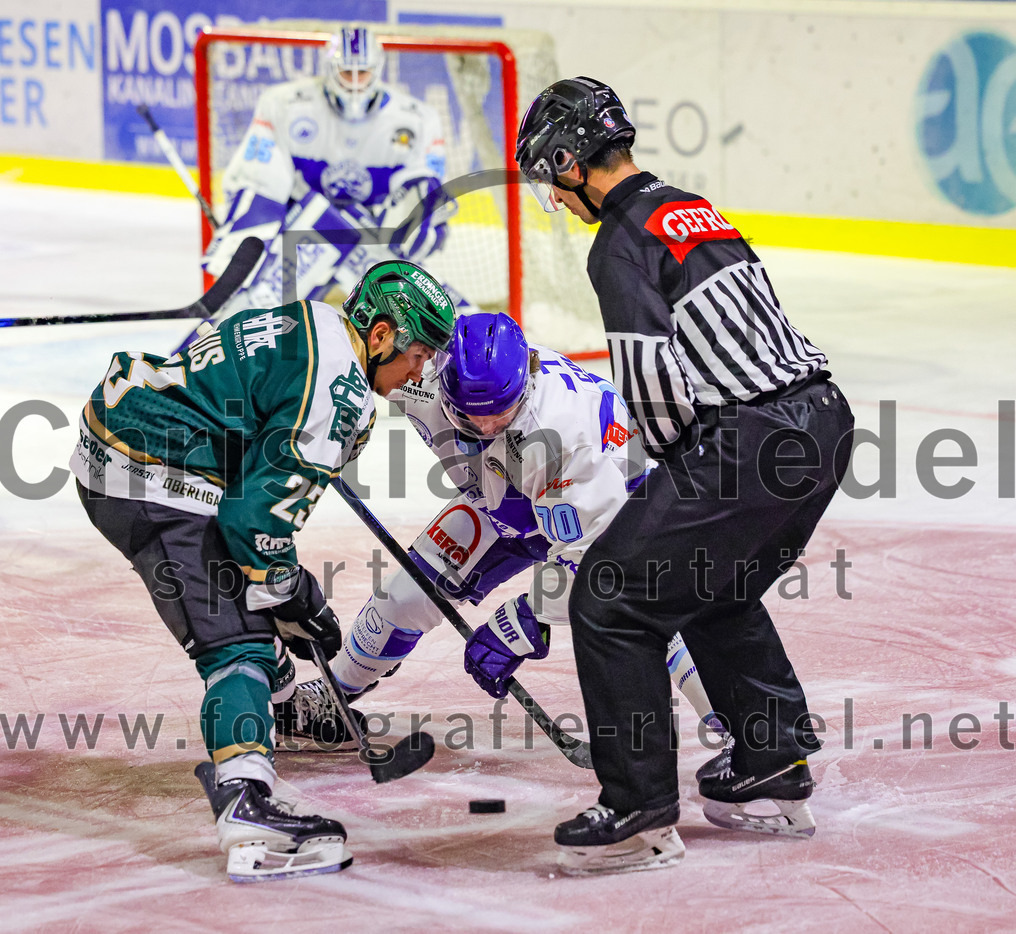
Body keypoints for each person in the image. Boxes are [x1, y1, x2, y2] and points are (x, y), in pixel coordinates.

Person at [515, 77, 855, 874]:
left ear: (569, 161)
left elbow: (655, 387)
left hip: (755, 441)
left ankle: (637, 807)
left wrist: (675, 474)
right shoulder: (691, 205)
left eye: (549, 176)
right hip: (827, 423)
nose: (555, 199)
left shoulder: (618, 241)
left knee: (609, 595)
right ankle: (771, 760)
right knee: (710, 579)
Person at [70, 260, 455, 881]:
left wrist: (282, 591)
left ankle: (280, 711)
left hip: (130, 436)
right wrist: (297, 596)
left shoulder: (322, 322)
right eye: (418, 353)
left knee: (254, 593)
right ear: (381, 335)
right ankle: (248, 812)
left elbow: (253, 449)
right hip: (149, 467)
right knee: (240, 646)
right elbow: (253, 523)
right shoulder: (340, 389)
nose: (420, 371)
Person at [274, 312, 725, 750]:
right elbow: (338, 358)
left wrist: (524, 623)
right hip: (504, 499)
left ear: (526, 381)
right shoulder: (423, 371)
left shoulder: (564, 434)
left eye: (500, 413)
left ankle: (739, 733)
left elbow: (595, 561)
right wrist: (299, 413)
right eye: (470, 417)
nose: (487, 426)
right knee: (407, 595)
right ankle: (334, 696)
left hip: (616, 508)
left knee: (647, 614)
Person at [195, 24, 458, 343]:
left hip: (371, 240)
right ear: (330, 68)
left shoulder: (416, 119)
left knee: (416, 323)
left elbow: (424, 194)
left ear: (378, 70)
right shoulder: (287, 105)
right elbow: (260, 182)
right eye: (347, 71)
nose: (355, 82)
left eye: (363, 72)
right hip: (303, 236)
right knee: (259, 307)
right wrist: (248, 245)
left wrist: (424, 227)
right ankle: (217, 347)